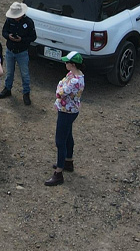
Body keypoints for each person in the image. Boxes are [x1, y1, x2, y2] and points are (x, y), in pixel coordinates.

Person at [46, 51, 85, 187]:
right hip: (71, 110)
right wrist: (61, 86)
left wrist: (61, 86)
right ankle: (68, 161)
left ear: (72, 64)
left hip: (66, 111)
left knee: (60, 140)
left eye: (67, 62)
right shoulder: (76, 75)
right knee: (68, 136)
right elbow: (61, 85)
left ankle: (59, 173)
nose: (65, 63)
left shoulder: (73, 80)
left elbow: (59, 91)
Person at [0, 1, 37, 105]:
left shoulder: (28, 22)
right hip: (10, 50)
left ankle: (26, 93)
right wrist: (8, 36)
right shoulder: (9, 20)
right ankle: (7, 89)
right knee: (9, 72)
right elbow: (4, 32)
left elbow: (33, 37)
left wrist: (22, 39)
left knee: (25, 74)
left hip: (22, 52)